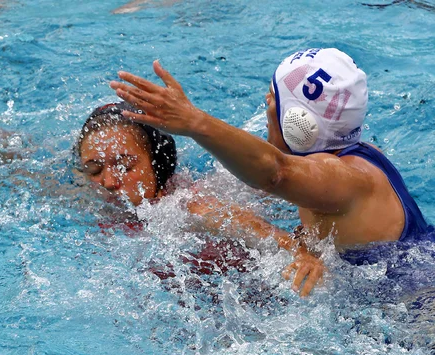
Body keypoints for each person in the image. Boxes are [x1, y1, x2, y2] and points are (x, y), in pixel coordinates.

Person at [0, 73, 327, 296]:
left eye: (124, 164)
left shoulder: (189, 206)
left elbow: (260, 232)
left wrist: (301, 253)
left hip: (244, 289)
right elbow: (14, 165)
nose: (110, 181)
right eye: (95, 169)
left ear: (158, 163)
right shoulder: (95, 200)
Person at [109, 48, 431, 255]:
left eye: (272, 101)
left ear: (297, 123)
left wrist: (196, 123)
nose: (266, 109)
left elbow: (276, 172)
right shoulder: (359, 157)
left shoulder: (342, 178)